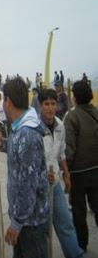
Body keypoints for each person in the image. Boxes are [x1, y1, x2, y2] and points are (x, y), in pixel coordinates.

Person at [0, 77, 49, 258]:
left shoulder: (27, 134)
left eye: (3, 99)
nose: (2, 104)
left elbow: (28, 185)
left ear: (8, 101)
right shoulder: (19, 129)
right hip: (24, 220)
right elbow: (19, 155)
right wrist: (2, 144)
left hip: (30, 223)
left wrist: (17, 223)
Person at [38, 88, 84, 258]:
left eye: (53, 104)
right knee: (41, 229)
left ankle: (75, 254)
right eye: (46, 104)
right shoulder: (34, 128)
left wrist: (66, 174)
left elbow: (61, 152)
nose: (50, 108)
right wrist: (43, 175)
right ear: (40, 105)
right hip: (38, 187)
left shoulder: (60, 125)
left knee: (65, 223)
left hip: (55, 182)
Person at [64, 80, 98, 252]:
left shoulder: (72, 116)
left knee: (79, 211)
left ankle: (81, 245)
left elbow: (69, 148)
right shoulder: (96, 112)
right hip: (96, 169)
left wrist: (65, 171)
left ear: (75, 96)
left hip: (79, 172)